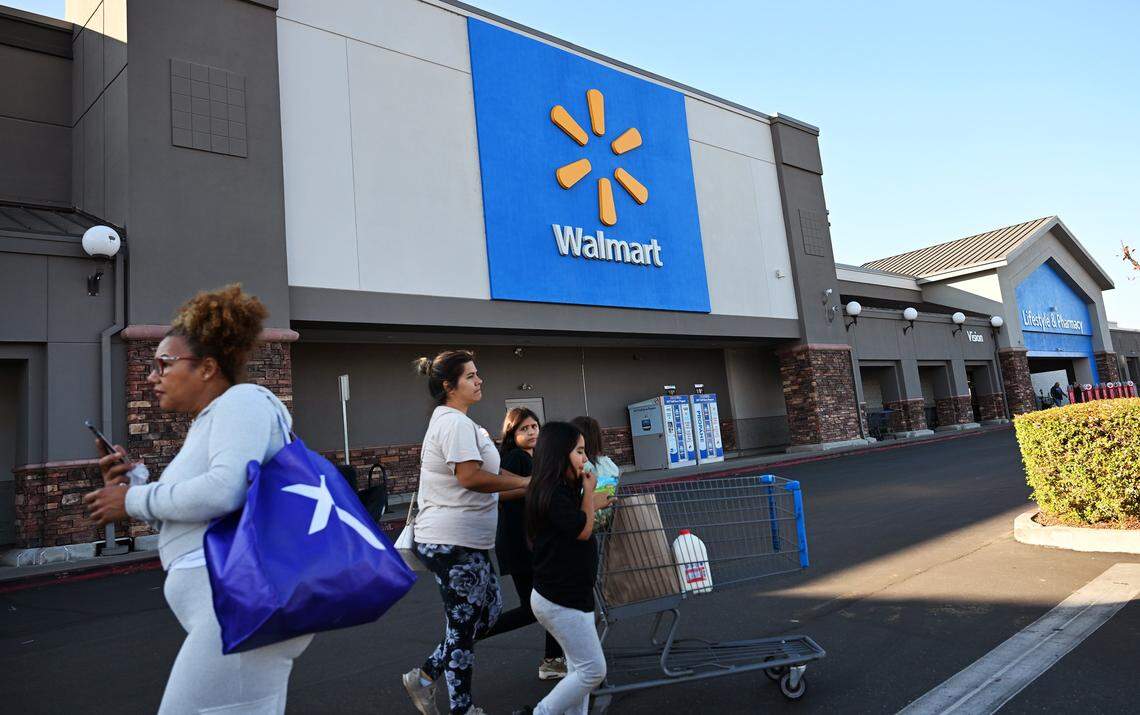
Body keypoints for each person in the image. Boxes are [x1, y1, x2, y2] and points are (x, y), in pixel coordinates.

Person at [84, 284, 312, 714]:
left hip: (237, 607)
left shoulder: (242, 402)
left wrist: (132, 501)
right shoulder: (214, 419)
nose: (152, 377)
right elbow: (198, 517)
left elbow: (225, 490)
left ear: (207, 367)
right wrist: (134, 482)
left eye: (163, 364)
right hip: (236, 607)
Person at [403, 350, 531, 715]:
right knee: (463, 626)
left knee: (486, 614)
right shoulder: (453, 424)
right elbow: (471, 478)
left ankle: (424, 676)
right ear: (449, 386)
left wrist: (531, 485)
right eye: (471, 376)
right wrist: (526, 483)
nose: (479, 380)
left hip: (466, 541)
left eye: (478, 374)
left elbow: (494, 478)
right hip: (451, 541)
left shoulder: (462, 423)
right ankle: (461, 708)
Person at [513, 422, 615, 715]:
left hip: (568, 595)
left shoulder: (561, 489)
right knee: (592, 670)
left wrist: (589, 498)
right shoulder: (553, 493)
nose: (586, 459)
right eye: (579, 452)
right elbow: (582, 530)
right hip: (561, 599)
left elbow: (577, 521)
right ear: (559, 454)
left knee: (577, 670)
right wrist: (589, 493)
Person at [479, 408, 567, 681]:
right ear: (511, 434)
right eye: (523, 429)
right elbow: (496, 494)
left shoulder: (533, 457)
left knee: (543, 605)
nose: (531, 432)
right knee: (546, 603)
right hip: (520, 543)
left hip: (530, 542)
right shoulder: (515, 458)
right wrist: (531, 488)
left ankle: (553, 660)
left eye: (534, 427)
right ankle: (471, 632)